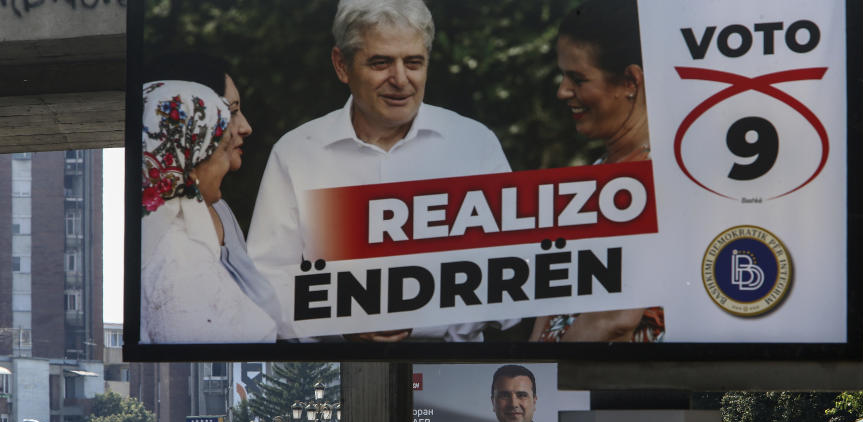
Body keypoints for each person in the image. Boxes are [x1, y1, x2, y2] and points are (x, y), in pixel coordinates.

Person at [247, 0, 513, 342]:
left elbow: (510, 273)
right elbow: (267, 279)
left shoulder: (475, 144)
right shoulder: (296, 152)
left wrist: (429, 319)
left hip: (449, 362)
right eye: (381, 62)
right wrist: (340, 321)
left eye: (413, 62)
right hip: (333, 364)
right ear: (342, 65)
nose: (400, 79)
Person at [529, 0, 665, 343]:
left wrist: (551, 373)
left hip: (605, 380)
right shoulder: (596, 174)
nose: (562, 91)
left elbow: (616, 318)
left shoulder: (658, 178)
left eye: (577, 78)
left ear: (631, 81)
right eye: (563, 76)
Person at [140, 53, 292, 342]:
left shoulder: (218, 210)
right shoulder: (176, 261)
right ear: (191, 155)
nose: (245, 128)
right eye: (221, 147)